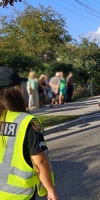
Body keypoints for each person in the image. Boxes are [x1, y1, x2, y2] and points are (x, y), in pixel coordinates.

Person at [0, 66, 58, 200]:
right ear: (15, 90)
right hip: (18, 194)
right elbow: (40, 162)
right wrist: (50, 190)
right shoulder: (27, 121)